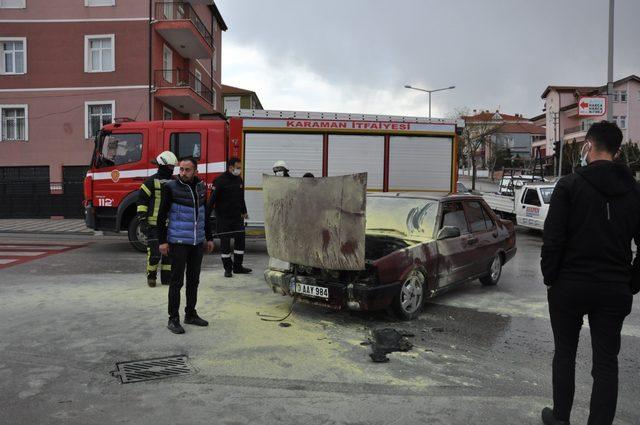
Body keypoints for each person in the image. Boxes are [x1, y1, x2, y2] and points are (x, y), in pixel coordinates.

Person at [541, 121, 639, 425]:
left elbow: (553, 239)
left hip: (569, 285)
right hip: (613, 288)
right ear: (618, 151)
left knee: (565, 355)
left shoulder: (569, 185)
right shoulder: (635, 191)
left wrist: (551, 277)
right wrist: (631, 282)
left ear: (587, 145)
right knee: (606, 363)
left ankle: (560, 419)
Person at [157, 157, 214, 334]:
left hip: (196, 242)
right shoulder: (170, 188)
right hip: (178, 241)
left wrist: (209, 238)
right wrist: (162, 241)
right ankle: (173, 319)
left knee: (194, 280)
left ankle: (190, 314)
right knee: (176, 281)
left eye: (187, 170)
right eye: (181, 169)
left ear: (195, 171)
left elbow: (204, 213)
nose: (183, 173)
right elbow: (161, 215)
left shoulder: (200, 188)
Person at [136, 151, 177, 287]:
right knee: (154, 253)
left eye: (173, 167)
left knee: (169, 254)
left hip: (170, 225)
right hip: (153, 226)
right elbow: (142, 202)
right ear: (162, 166)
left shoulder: (175, 182)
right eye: (170, 167)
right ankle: (151, 276)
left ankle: (166, 278)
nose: (171, 170)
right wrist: (142, 220)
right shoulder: (150, 182)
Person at [208, 157, 252, 278]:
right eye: (237, 168)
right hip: (223, 218)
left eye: (240, 168)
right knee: (225, 244)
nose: (239, 170)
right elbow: (212, 200)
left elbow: (241, 198)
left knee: (240, 242)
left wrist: (244, 211)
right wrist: (206, 216)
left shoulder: (239, 180)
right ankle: (228, 268)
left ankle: (238, 267)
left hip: (237, 217)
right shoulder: (219, 181)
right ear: (230, 167)